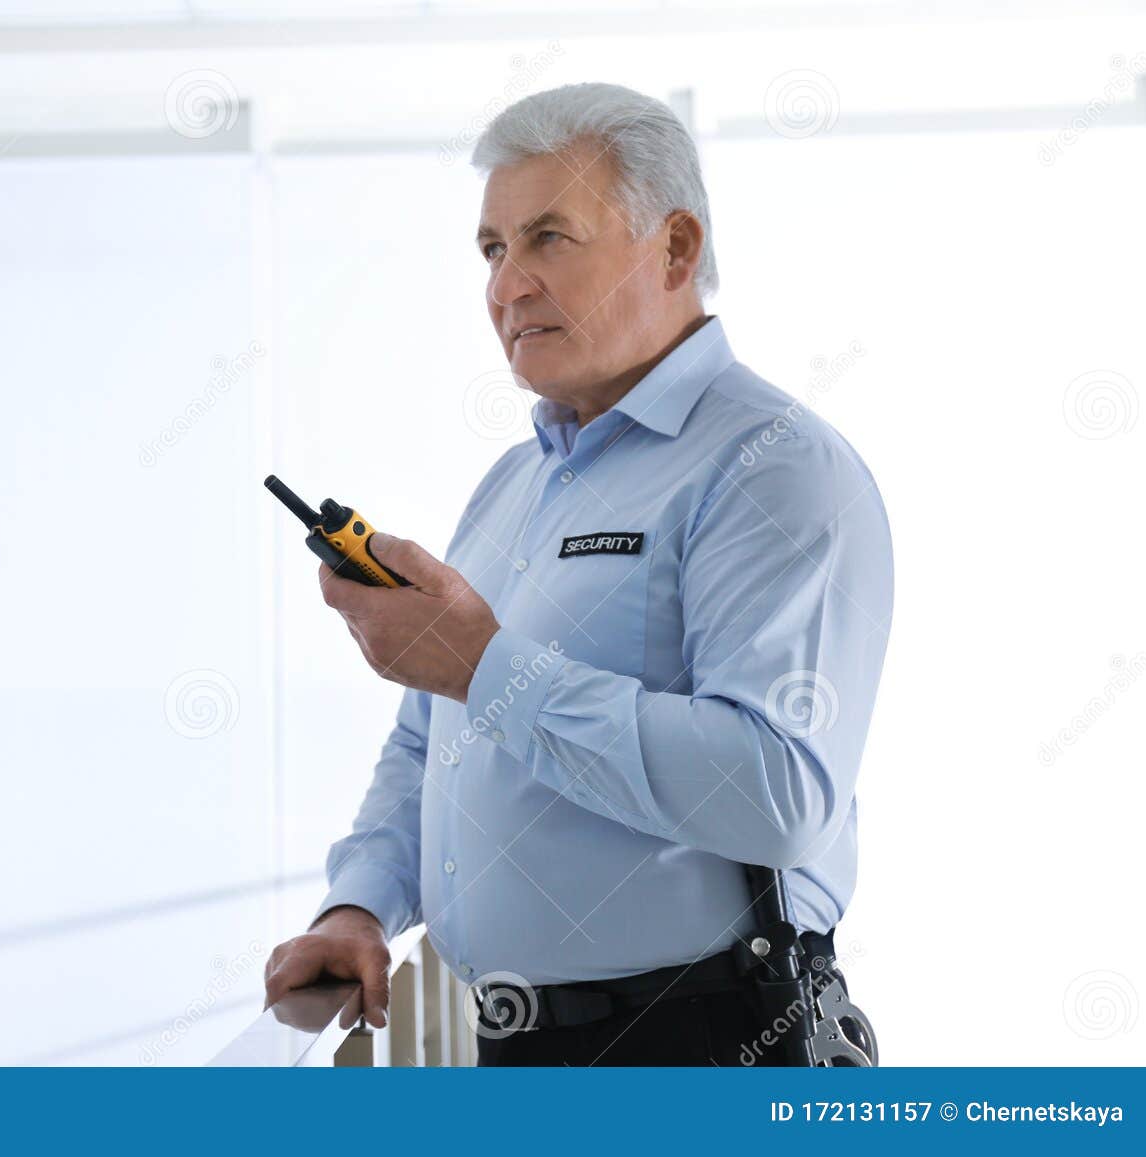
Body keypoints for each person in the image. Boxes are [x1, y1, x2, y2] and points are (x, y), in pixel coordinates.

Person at [263, 82, 892, 1066]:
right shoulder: (513, 485)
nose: (506, 285)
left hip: (702, 1049)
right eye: (491, 248)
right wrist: (361, 902)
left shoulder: (772, 463)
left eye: (549, 237)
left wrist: (485, 666)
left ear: (675, 249)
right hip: (507, 1050)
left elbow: (778, 794)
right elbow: (433, 738)